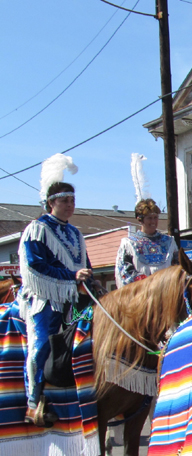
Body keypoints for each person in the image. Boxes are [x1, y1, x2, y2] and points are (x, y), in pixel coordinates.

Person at [19, 154, 92, 427]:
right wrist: (72, 276)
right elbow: (36, 268)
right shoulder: (36, 230)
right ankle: (33, 402)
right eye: (65, 200)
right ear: (51, 203)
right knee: (40, 347)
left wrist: (88, 278)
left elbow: (85, 264)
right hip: (45, 298)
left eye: (72, 200)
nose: (70, 205)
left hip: (75, 298)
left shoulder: (76, 233)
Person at [115, 155, 178, 288]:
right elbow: (124, 273)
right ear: (140, 219)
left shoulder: (169, 242)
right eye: (149, 218)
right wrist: (147, 284)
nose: (153, 221)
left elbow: (177, 267)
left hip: (166, 293)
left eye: (155, 217)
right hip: (140, 296)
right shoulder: (129, 244)